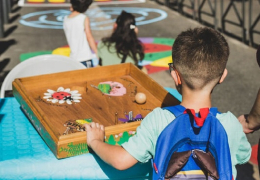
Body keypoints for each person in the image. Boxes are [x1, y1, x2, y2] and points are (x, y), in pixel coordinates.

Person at [85, 27, 251, 179]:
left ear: (175, 76)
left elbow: (120, 161)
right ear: (222, 76)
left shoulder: (158, 119)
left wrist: (95, 141)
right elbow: (243, 156)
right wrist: (234, 128)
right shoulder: (230, 125)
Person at [63, 0, 97, 68]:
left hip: (73, 58)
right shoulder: (83, 18)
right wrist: (97, 53)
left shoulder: (66, 19)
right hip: (85, 57)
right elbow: (89, 36)